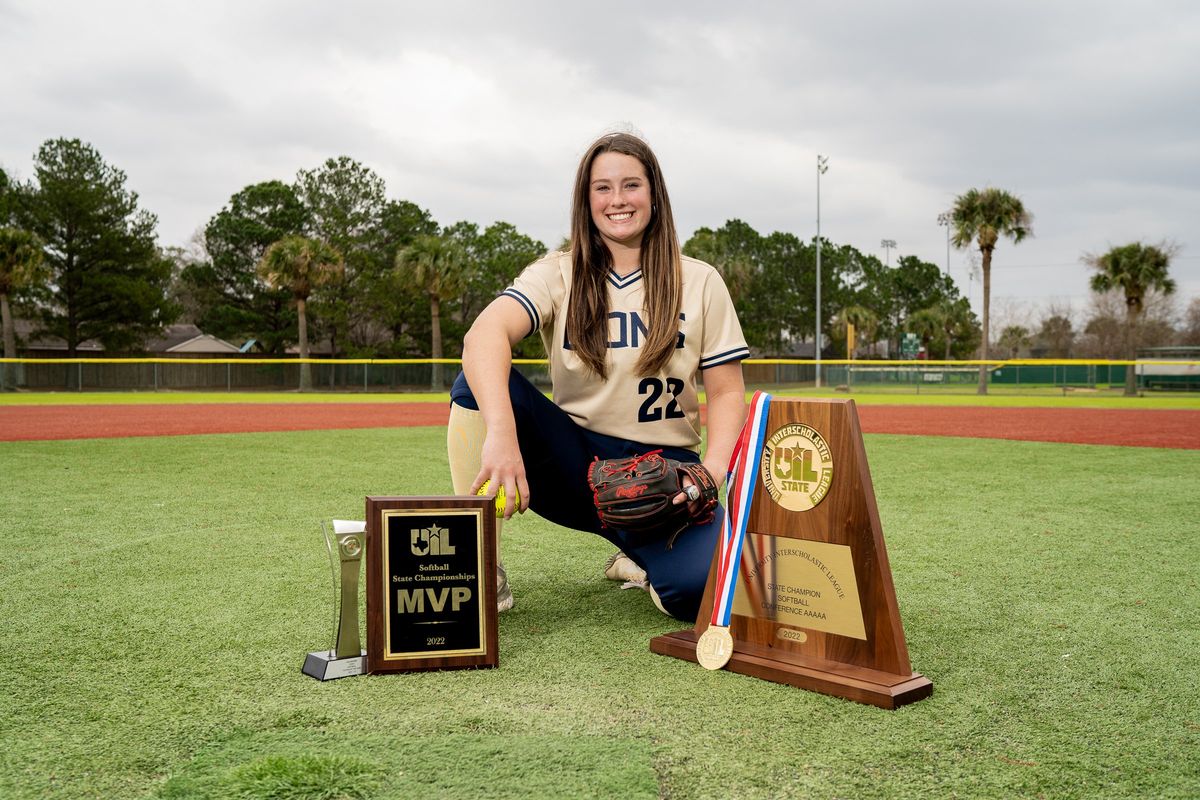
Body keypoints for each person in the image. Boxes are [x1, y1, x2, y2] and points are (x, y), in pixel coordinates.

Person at [446, 132, 748, 621]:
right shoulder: (557, 272)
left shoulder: (699, 279)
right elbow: (483, 336)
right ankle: (480, 561)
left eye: (631, 185)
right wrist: (502, 433)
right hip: (574, 463)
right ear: (586, 201)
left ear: (654, 194)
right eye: (602, 188)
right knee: (475, 386)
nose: (617, 200)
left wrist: (712, 472)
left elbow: (728, 390)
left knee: (703, 593)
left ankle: (640, 559)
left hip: (665, 474)